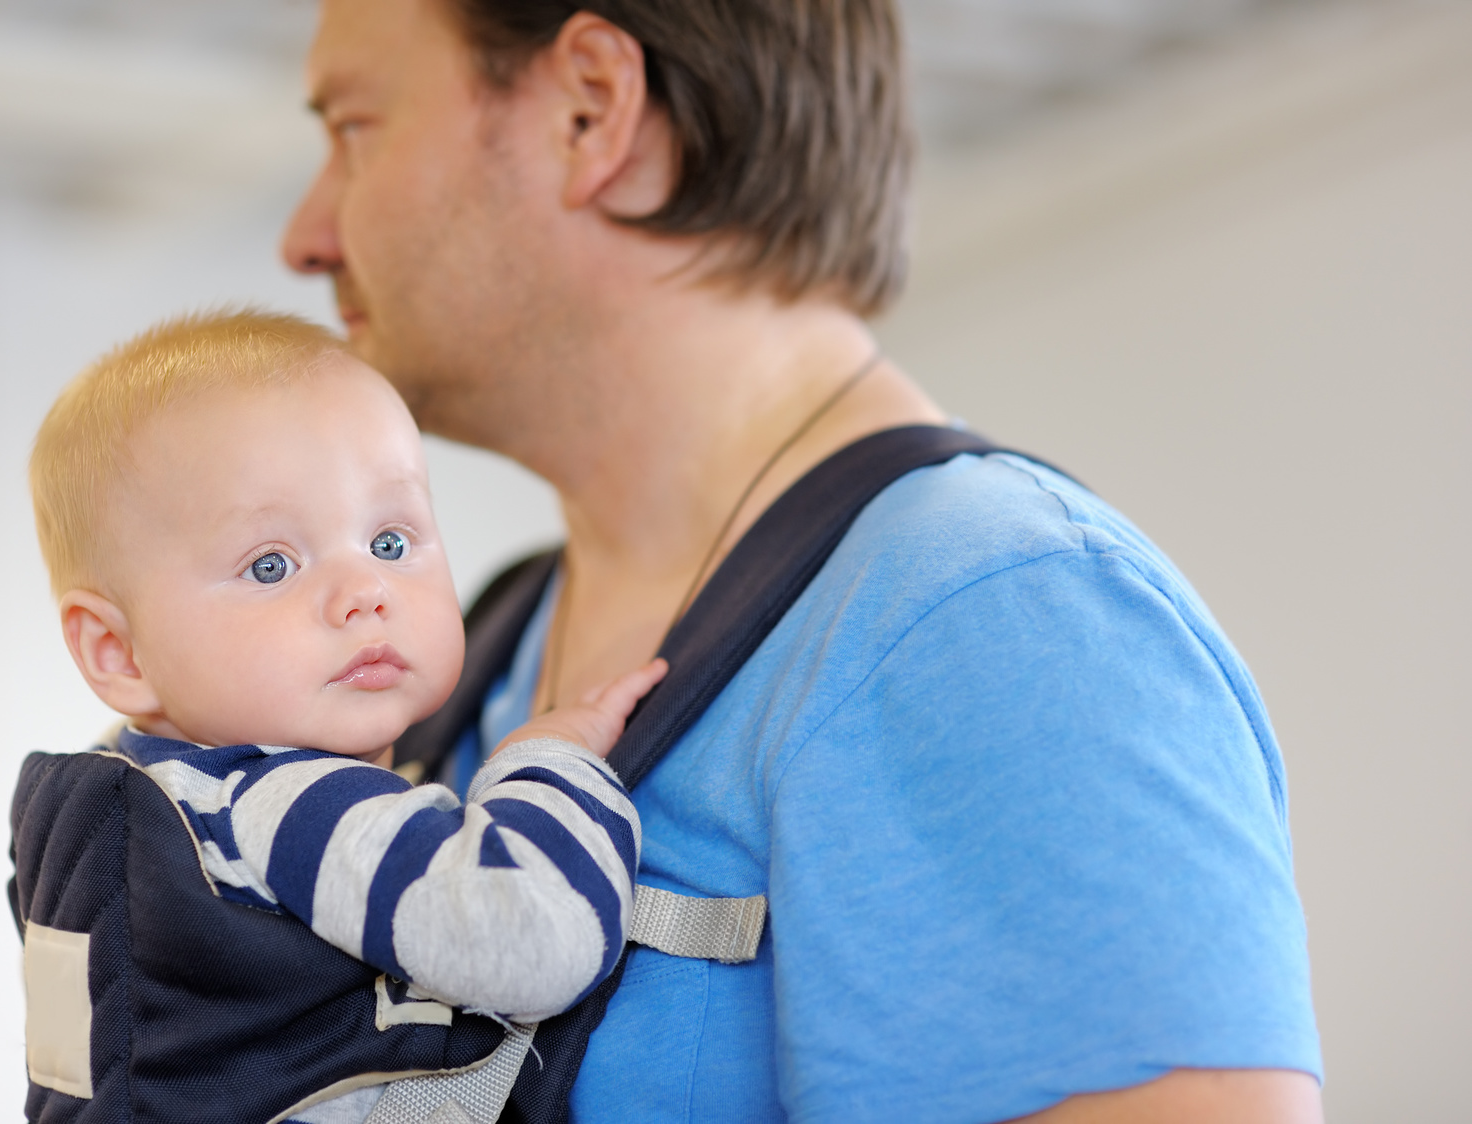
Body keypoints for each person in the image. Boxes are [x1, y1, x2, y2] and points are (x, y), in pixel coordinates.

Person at [280, 2, 1324, 1121]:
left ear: (591, 111)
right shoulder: (475, 644)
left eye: (352, 128)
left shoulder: (995, 615)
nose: (305, 234)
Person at [21, 310, 665, 1121]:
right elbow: (539, 938)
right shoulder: (278, 804)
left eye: (391, 542)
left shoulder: (143, 808)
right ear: (120, 652)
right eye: (271, 565)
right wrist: (548, 757)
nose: (365, 591)